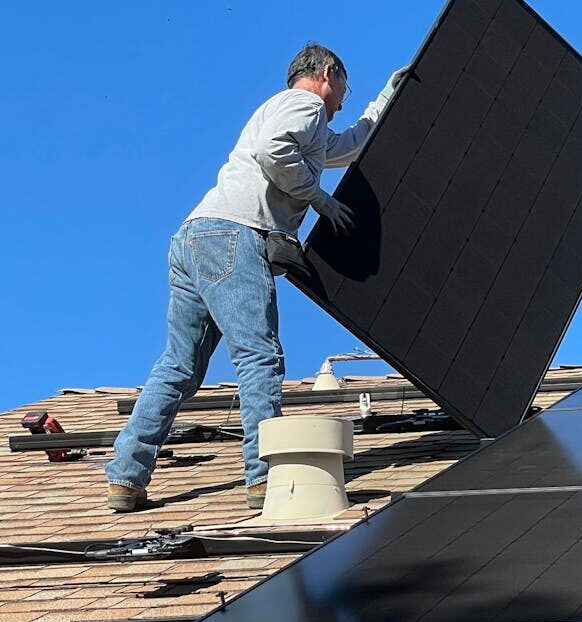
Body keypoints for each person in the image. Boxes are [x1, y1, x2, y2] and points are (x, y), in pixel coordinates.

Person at [106, 44, 408, 512]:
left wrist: (387, 97)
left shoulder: (292, 115)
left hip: (194, 237)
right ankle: (264, 479)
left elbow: (347, 146)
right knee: (259, 356)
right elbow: (274, 152)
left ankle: (126, 476)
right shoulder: (304, 104)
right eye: (345, 88)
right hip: (235, 235)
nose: (344, 100)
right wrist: (319, 200)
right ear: (328, 73)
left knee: (178, 367)